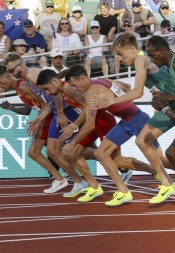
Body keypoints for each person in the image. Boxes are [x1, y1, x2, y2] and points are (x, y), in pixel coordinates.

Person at [88, 34, 175, 205]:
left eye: (121, 54)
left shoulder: (140, 59)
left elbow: (138, 92)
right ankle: (167, 182)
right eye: (117, 55)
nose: (119, 59)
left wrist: (110, 101)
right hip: (173, 106)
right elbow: (155, 88)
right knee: (144, 141)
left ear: (133, 49)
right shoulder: (144, 63)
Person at [37, 68, 158, 202]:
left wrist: (73, 126)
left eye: (47, 89)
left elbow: (88, 108)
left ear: (55, 81)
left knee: (117, 161)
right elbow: (122, 87)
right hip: (92, 123)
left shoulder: (69, 89)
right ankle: (94, 187)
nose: (47, 93)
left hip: (102, 123)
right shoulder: (67, 89)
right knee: (72, 154)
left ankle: (154, 171)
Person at [3, 53, 87, 197]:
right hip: (56, 110)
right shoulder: (27, 78)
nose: (11, 74)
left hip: (65, 110)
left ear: (21, 65)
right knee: (54, 151)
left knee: (73, 150)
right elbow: (48, 100)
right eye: (9, 72)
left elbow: (55, 91)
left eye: (12, 70)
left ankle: (93, 174)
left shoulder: (31, 76)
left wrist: (60, 112)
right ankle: (80, 181)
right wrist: (39, 119)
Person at [0, 66, 65, 193]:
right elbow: (27, 110)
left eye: (0, 82)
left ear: (8, 77)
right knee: (36, 152)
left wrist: (39, 121)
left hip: (49, 117)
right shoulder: (19, 89)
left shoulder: (23, 86)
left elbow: (46, 102)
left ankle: (69, 179)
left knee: (52, 152)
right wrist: (10, 107)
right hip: (43, 118)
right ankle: (61, 178)